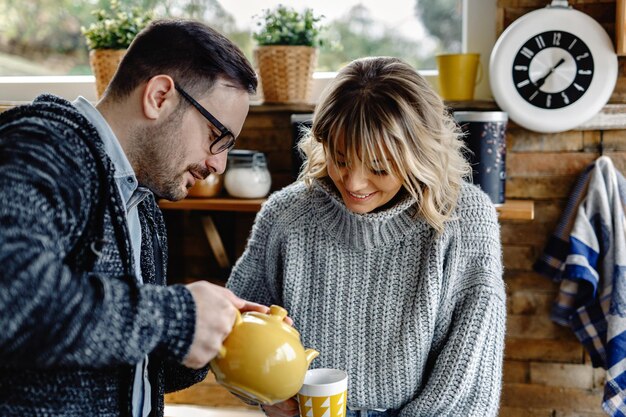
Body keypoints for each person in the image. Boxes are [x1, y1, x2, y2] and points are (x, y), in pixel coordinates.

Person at [0, 19, 268, 417]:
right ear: (160, 96)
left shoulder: (141, 201)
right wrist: (177, 317)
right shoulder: (44, 149)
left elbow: (118, 358)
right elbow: (12, 297)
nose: (218, 163)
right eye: (217, 136)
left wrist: (218, 337)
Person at [227, 56, 506, 417]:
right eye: (340, 159)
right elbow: (235, 328)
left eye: (378, 167)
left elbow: (469, 378)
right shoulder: (286, 215)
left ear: (419, 155)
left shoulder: (464, 218)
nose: (354, 183)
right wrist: (266, 394)